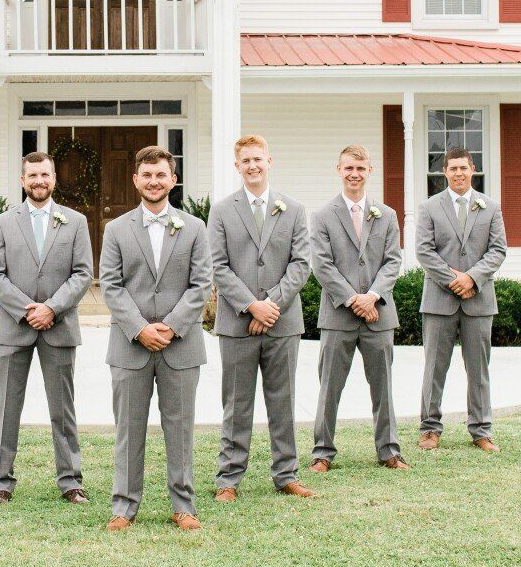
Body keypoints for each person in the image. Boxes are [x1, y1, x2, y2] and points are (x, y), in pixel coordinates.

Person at [97, 145, 212, 531]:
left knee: (180, 428)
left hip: (181, 345)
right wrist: (140, 328)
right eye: (147, 175)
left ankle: (183, 505)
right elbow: (110, 286)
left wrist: (171, 326)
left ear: (173, 180)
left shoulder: (195, 228)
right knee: (128, 429)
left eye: (161, 175)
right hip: (130, 345)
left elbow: (201, 284)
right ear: (135, 180)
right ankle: (124, 506)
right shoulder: (116, 230)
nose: (154, 181)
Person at [0, 151, 94, 506]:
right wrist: (27, 309)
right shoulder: (3, 223)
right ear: (22, 180)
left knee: (63, 407)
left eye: (44, 175)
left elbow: (82, 273)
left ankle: (70, 480)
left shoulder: (75, 222)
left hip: (58, 327)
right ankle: (1, 481)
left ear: (54, 178)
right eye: (32, 175)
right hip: (15, 328)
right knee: (7, 406)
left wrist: (52, 308)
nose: (39, 181)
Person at [206, 135, 316, 501]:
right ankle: (229, 479)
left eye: (258, 159)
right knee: (236, 402)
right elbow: (217, 266)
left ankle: (286, 473)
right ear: (237, 166)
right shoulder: (222, 210)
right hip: (237, 323)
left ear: (270, 161)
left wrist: (271, 305)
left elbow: (302, 263)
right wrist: (251, 306)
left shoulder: (294, 209)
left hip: (282, 322)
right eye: (245, 161)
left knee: (282, 399)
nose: (252, 165)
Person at [308, 144, 409, 473]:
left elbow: (393, 261)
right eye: (348, 168)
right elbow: (322, 266)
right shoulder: (322, 216)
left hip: (379, 315)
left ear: (370, 171)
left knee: (384, 386)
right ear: (339, 170)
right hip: (338, 315)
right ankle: (322, 452)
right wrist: (354, 299)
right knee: (329, 387)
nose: (354, 174)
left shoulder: (388, 214)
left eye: (360, 168)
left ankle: (389, 451)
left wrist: (374, 296)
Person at [416, 147, 509, 453]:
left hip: (478, 300)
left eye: (463, 168)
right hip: (439, 301)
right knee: (434, 368)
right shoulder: (429, 207)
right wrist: (454, 280)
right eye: (452, 168)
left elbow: (497, 250)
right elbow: (424, 251)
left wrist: (472, 279)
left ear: (473, 170)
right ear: (444, 172)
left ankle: (481, 430)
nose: (458, 173)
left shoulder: (490, 207)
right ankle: (430, 429)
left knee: (479, 369)